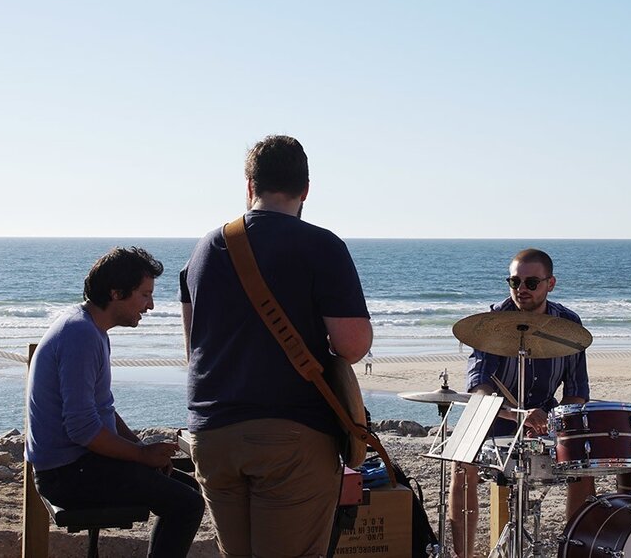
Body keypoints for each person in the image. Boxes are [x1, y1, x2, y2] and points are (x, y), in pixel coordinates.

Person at [181, 135, 373, 558]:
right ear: (306, 190)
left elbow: (193, 346)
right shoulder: (322, 246)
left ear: (249, 186)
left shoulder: (204, 249)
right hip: (289, 434)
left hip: (212, 434)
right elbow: (353, 345)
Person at [26, 248, 204, 558]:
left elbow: (102, 406)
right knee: (187, 504)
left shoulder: (90, 329)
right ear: (116, 292)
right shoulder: (80, 335)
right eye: (144, 294)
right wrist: (139, 454)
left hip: (81, 464)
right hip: (68, 474)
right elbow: (83, 429)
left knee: (186, 490)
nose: (150, 305)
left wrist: (141, 449)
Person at [449, 249, 591, 558]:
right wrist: (515, 414)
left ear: (550, 283)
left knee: (586, 461)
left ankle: (573, 550)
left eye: (530, 282)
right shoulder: (491, 321)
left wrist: (554, 424)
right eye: (514, 281)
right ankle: (463, 555)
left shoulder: (568, 323)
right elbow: (479, 386)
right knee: (462, 463)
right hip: (496, 413)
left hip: (545, 416)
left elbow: (577, 391)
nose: (521, 289)